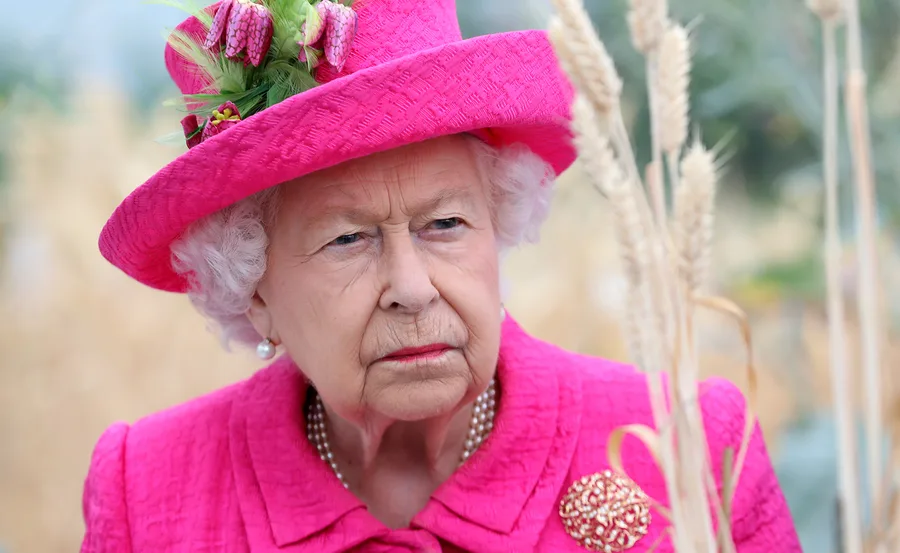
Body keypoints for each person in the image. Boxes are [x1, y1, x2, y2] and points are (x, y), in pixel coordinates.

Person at [81, 0, 802, 551]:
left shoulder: (687, 446)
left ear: (500, 223)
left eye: (445, 225)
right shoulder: (148, 489)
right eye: (347, 238)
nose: (413, 286)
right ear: (254, 289)